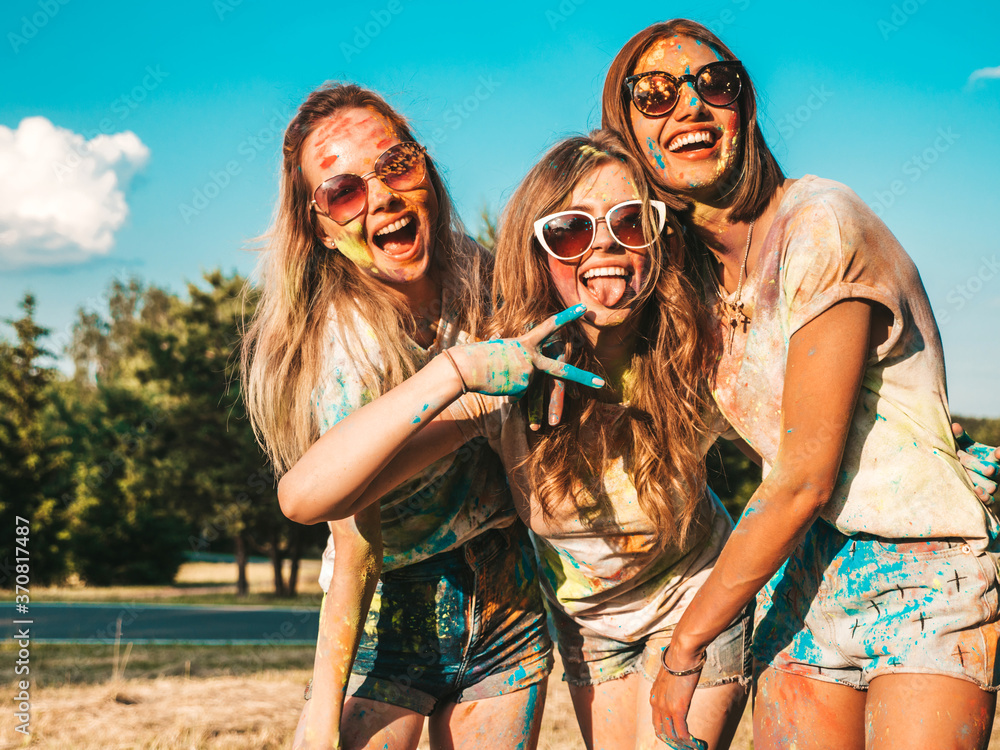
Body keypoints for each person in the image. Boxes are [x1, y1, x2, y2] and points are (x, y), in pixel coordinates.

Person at [279, 130, 755, 750]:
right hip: (593, 630)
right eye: (569, 230)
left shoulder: (695, 351)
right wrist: (454, 373)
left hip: (692, 601)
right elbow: (307, 499)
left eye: (630, 221)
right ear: (539, 250)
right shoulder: (511, 376)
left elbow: (800, 470)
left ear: (660, 237)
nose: (604, 242)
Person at [601, 18, 1000, 749]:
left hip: (924, 563)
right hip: (807, 573)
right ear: (631, 137)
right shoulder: (697, 287)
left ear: (744, 108)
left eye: (712, 84)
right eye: (654, 95)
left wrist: (686, 645)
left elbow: (803, 477)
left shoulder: (820, 223)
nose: (688, 105)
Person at [241, 83, 552, 750]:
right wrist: (321, 713)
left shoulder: (486, 280)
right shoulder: (345, 345)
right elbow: (355, 541)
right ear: (320, 228)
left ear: (427, 173)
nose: (380, 196)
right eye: (342, 192)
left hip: (505, 591)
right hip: (387, 608)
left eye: (395, 164)